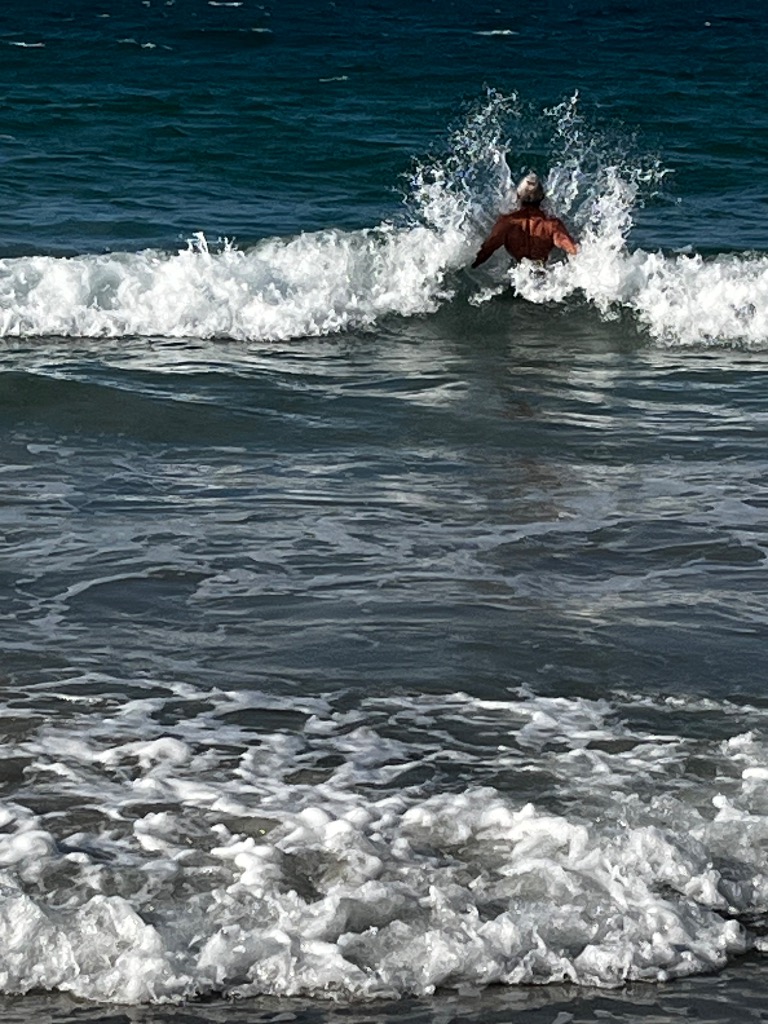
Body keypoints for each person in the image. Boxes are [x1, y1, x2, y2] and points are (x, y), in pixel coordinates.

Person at [472, 172, 579, 268]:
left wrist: (473, 265)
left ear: (518, 196)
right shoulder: (552, 225)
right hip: (544, 276)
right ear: (542, 198)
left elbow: (487, 249)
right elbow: (572, 250)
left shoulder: (507, 223)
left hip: (519, 276)